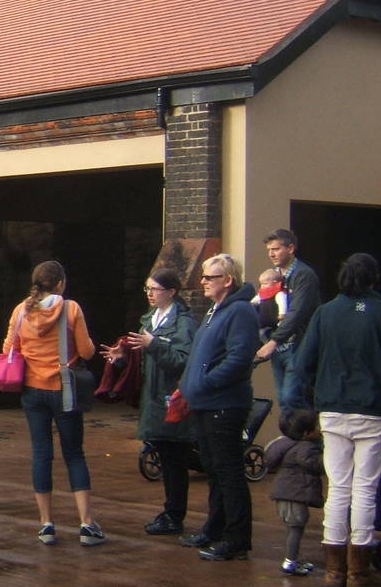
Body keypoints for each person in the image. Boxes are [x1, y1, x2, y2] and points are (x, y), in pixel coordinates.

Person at [290, 253, 381, 587]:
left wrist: (323, 383)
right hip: (373, 410)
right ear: (375, 279)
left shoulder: (325, 313)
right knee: (365, 489)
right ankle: (359, 571)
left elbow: (302, 364)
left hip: (332, 409)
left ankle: (334, 570)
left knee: (338, 488)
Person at [2, 260, 104, 546]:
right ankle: (86, 524)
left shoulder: (21, 310)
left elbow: (9, 350)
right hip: (65, 389)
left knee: (41, 453)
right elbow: (86, 350)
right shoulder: (70, 309)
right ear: (60, 283)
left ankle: (46, 524)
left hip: (32, 390)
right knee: (74, 453)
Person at [178, 253, 260, 560]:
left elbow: (239, 358)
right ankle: (215, 528)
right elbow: (201, 355)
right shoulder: (216, 310)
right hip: (205, 402)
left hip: (224, 404)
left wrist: (206, 382)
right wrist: (187, 386)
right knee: (213, 470)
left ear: (228, 280)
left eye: (209, 277)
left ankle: (237, 538)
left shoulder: (239, 312)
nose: (203, 282)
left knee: (229, 472)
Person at [105, 267, 197, 536]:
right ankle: (170, 511)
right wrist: (121, 358)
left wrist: (153, 344)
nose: (149, 294)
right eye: (147, 288)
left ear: (171, 292)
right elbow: (142, 361)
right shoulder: (149, 319)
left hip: (171, 398)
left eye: (155, 289)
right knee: (167, 456)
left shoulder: (183, 323)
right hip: (153, 398)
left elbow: (182, 361)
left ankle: (174, 513)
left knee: (175, 459)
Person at [256, 229, 319, 406]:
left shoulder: (303, 275)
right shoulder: (273, 276)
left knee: (293, 397)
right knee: (283, 399)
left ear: (290, 248)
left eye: (275, 249)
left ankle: (305, 433)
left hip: (297, 345)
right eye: (269, 250)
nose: (271, 254)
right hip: (279, 346)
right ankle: (292, 433)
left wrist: (273, 341)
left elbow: (298, 312)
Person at [265, 408, 325, 576]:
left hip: (285, 493)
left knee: (293, 527)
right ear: (306, 433)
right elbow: (314, 464)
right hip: (294, 494)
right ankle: (290, 561)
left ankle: (294, 558)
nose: (319, 431)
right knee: (296, 528)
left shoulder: (285, 444)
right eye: (316, 428)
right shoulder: (306, 448)